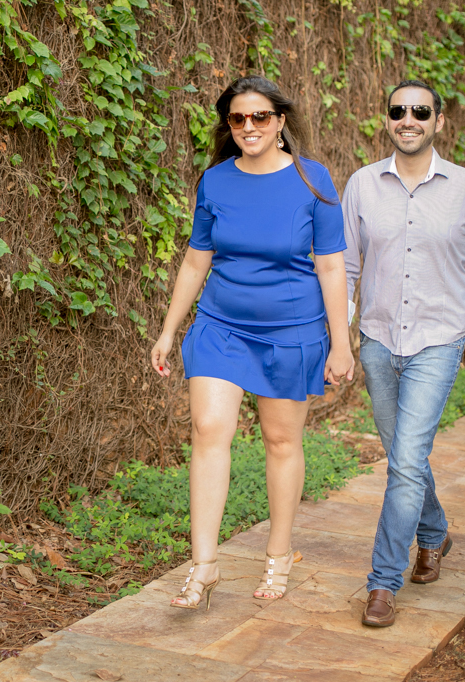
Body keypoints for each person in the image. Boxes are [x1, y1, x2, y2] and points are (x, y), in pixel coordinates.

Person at [151, 75, 354, 609]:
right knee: (208, 429)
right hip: (221, 325)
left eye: (260, 116)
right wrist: (169, 331)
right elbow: (196, 260)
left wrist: (341, 344)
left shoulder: (313, 180)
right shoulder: (215, 181)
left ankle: (278, 556)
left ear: (280, 121)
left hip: (291, 332)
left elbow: (332, 266)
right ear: (229, 125)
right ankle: (204, 565)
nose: (249, 126)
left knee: (281, 441)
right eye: (238, 118)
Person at [343, 80, 465, 628]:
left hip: (438, 341)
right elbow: (346, 268)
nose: (408, 119)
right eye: (398, 110)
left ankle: (382, 583)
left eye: (420, 110)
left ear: (439, 121)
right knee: (406, 459)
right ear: (387, 120)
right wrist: (337, 340)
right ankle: (435, 532)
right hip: (377, 340)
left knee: (405, 461)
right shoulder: (362, 185)